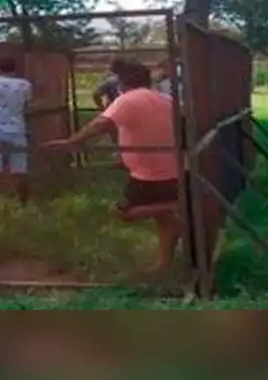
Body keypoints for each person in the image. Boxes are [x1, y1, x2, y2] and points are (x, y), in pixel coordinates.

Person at [45, 61, 191, 273]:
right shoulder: (166, 99)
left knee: (126, 213)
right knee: (164, 219)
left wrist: (72, 142)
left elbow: (100, 124)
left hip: (149, 174)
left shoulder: (127, 99)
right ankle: (163, 264)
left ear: (123, 82)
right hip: (174, 168)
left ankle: (176, 206)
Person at [0, 56, 33, 208]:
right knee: (20, 169)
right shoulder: (25, 85)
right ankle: (23, 204)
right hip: (16, 129)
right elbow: (26, 106)